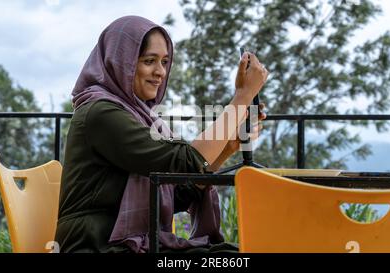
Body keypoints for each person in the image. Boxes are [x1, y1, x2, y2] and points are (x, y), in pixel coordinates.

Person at [54, 15, 268, 253]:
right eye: (149, 61)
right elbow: (185, 162)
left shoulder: (137, 115)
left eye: (165, 62)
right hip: (95, 245)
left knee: (235, 253)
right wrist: (242, 97)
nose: (160, 72)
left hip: (132, 243)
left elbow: (177, 192)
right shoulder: (100, 113)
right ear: (121, 61)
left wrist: (228, 147)